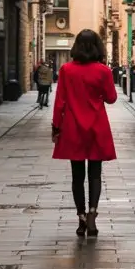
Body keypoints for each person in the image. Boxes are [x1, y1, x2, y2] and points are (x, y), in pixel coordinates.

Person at [51, 28, 117, 238]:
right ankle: (92, 214)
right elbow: (111, 98)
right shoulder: (103, 71)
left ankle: (80, 218)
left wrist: (56, 127)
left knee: (77, 176)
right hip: (97, 126)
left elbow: (60, 101)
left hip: (73, 127)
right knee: (95, 174)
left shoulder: (66, 70)